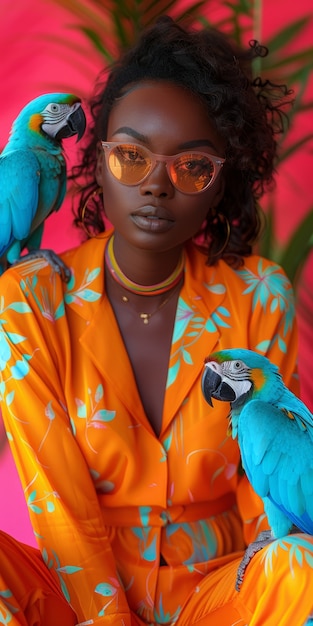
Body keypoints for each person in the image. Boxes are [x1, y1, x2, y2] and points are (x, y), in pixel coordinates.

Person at [0, 14, 312, 626]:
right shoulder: (27, 301)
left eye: (192, 167)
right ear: (96, 157)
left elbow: (269, 497)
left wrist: (262, 594)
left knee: (305, 567)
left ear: (223, 184)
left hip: (221, 594)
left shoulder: (259, 295)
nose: (156, 187)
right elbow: (55, 498)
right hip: (73, 598)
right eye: (131, 157)